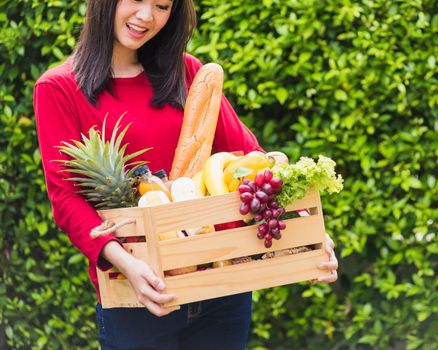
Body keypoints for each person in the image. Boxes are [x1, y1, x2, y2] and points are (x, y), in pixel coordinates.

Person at [33, 0, 338, 349]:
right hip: (139, 295)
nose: (146, 16)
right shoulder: (58, 89)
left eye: (162, 6)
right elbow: (66, 198)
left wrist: (307, 232)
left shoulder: (189, 73)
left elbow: (254, 163)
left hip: (223, 286)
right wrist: (127, 264)